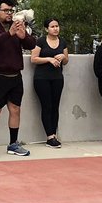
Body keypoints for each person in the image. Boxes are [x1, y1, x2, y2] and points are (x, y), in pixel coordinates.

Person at [0, 0, 37, 158]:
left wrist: (22, 35)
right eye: (6, 10)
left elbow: (31, 44)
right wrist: (9, 33)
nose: (9, 13)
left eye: (11, 10)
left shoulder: (17, 26)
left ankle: (13, 144)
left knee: (15, 109)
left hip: (15, 76)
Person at [29, 17, 68, 147]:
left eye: (57, 26)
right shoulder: (40, 41)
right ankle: (49, 136)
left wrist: (63, 56)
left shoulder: (62, 42)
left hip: (57, 78)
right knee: (47, 106)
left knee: (55, 106)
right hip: (42, 78)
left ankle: (54, 135)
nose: (55, 28)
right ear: (46, 29)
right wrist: (49, 59)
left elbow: (66, 61)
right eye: (52, 26)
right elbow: (33, 59)